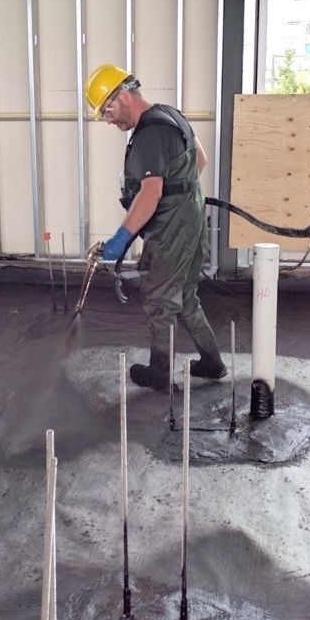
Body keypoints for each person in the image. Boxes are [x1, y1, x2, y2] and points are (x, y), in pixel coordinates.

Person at [84, 64, 227, 392]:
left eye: (108, 109)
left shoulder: (149, 134)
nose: (107, 118)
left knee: (160, 300)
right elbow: (200, 160)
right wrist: (182, 197)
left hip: (172, 229)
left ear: (123, 96)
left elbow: (151, 192)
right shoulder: (171, 115)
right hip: (192, 219)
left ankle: (160, 374)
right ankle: (212, 363)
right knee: (187, 296)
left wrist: (121, 238)